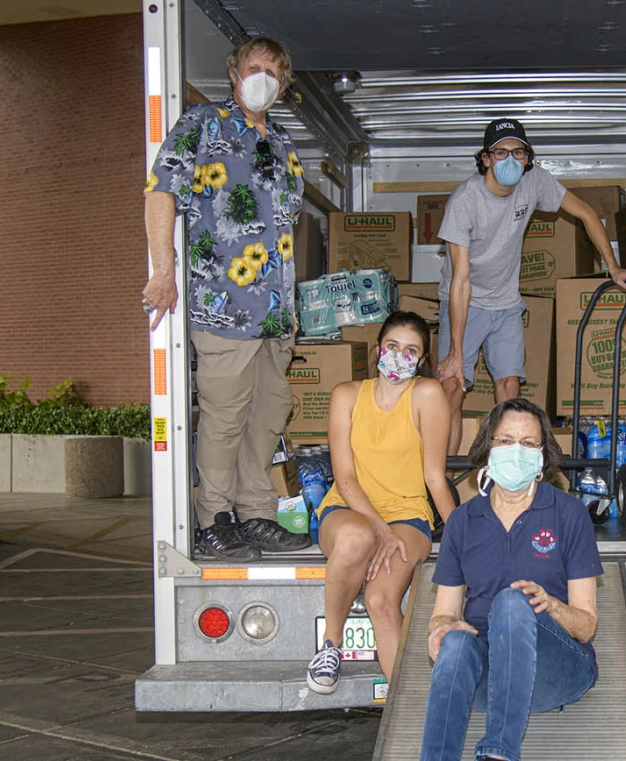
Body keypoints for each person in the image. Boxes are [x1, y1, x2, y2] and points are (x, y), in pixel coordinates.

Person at [143, 37, 309, 560]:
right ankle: (213, 517)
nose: (263, 77)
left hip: (276, 314)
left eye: (273, 72)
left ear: (282, 85)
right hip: (223, 304)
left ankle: (256, 513)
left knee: (268, 413)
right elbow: (160, 191)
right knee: (225, 415)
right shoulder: (202, 125)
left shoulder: (283, 142)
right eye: (253, 67)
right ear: (234, 73)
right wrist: (164, 273)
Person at [435, 118, 626, 454]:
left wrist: (613, 267)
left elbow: (587, 214)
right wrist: (456, 353)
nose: (511, 160)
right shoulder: (465, 201)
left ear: (528, 158)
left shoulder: (535, 183)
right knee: (451, 387)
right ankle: (440, 475)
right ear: (485, 158)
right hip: (464, 301)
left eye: (519, 152)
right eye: (501, 153)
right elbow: (461, 281)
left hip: (505, 302)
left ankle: (507, 473)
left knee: (510, 389)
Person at [419, 398, 603, 761]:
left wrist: (549, 604)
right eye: (505, 441)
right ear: (487, 448)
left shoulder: (568, 513)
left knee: (512, 600)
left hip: (554, 669)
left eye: (528, 443)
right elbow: (443, 613)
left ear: (542, 457)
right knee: (455, 643)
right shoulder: (463, 521)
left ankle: (499, 752)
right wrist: (440, 630)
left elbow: (586, 627)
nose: (515, 451)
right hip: (487, 677)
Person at [305, 312, 454, 693]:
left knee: (381, 601)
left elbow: (435, 477)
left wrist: (463, 533)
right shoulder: (347, 395)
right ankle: (330, 646)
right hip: (349, 509)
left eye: (411, 351)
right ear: (377, 349)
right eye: (392, 347)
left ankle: (412, 708)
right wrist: (379, 530)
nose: (399, 357)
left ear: (421, 360)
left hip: (408, 515)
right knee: (356, 539)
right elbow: (345, 477)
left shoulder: (427, 395)